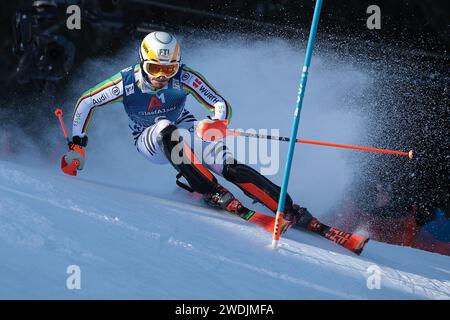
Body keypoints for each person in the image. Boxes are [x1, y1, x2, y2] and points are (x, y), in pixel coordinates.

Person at [63, 31, 316, 230]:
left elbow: (219, 103)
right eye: (155, 68)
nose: (162, 76)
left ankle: (287, 207)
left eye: (169, 69)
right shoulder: (126, 82)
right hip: (148, 138)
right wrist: (77, 146)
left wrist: (216, 122)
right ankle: (211, 191)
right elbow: (87, 101)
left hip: (183, 125)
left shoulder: (184, 77)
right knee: (165, 128)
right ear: (142, 62)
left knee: (224, 160)